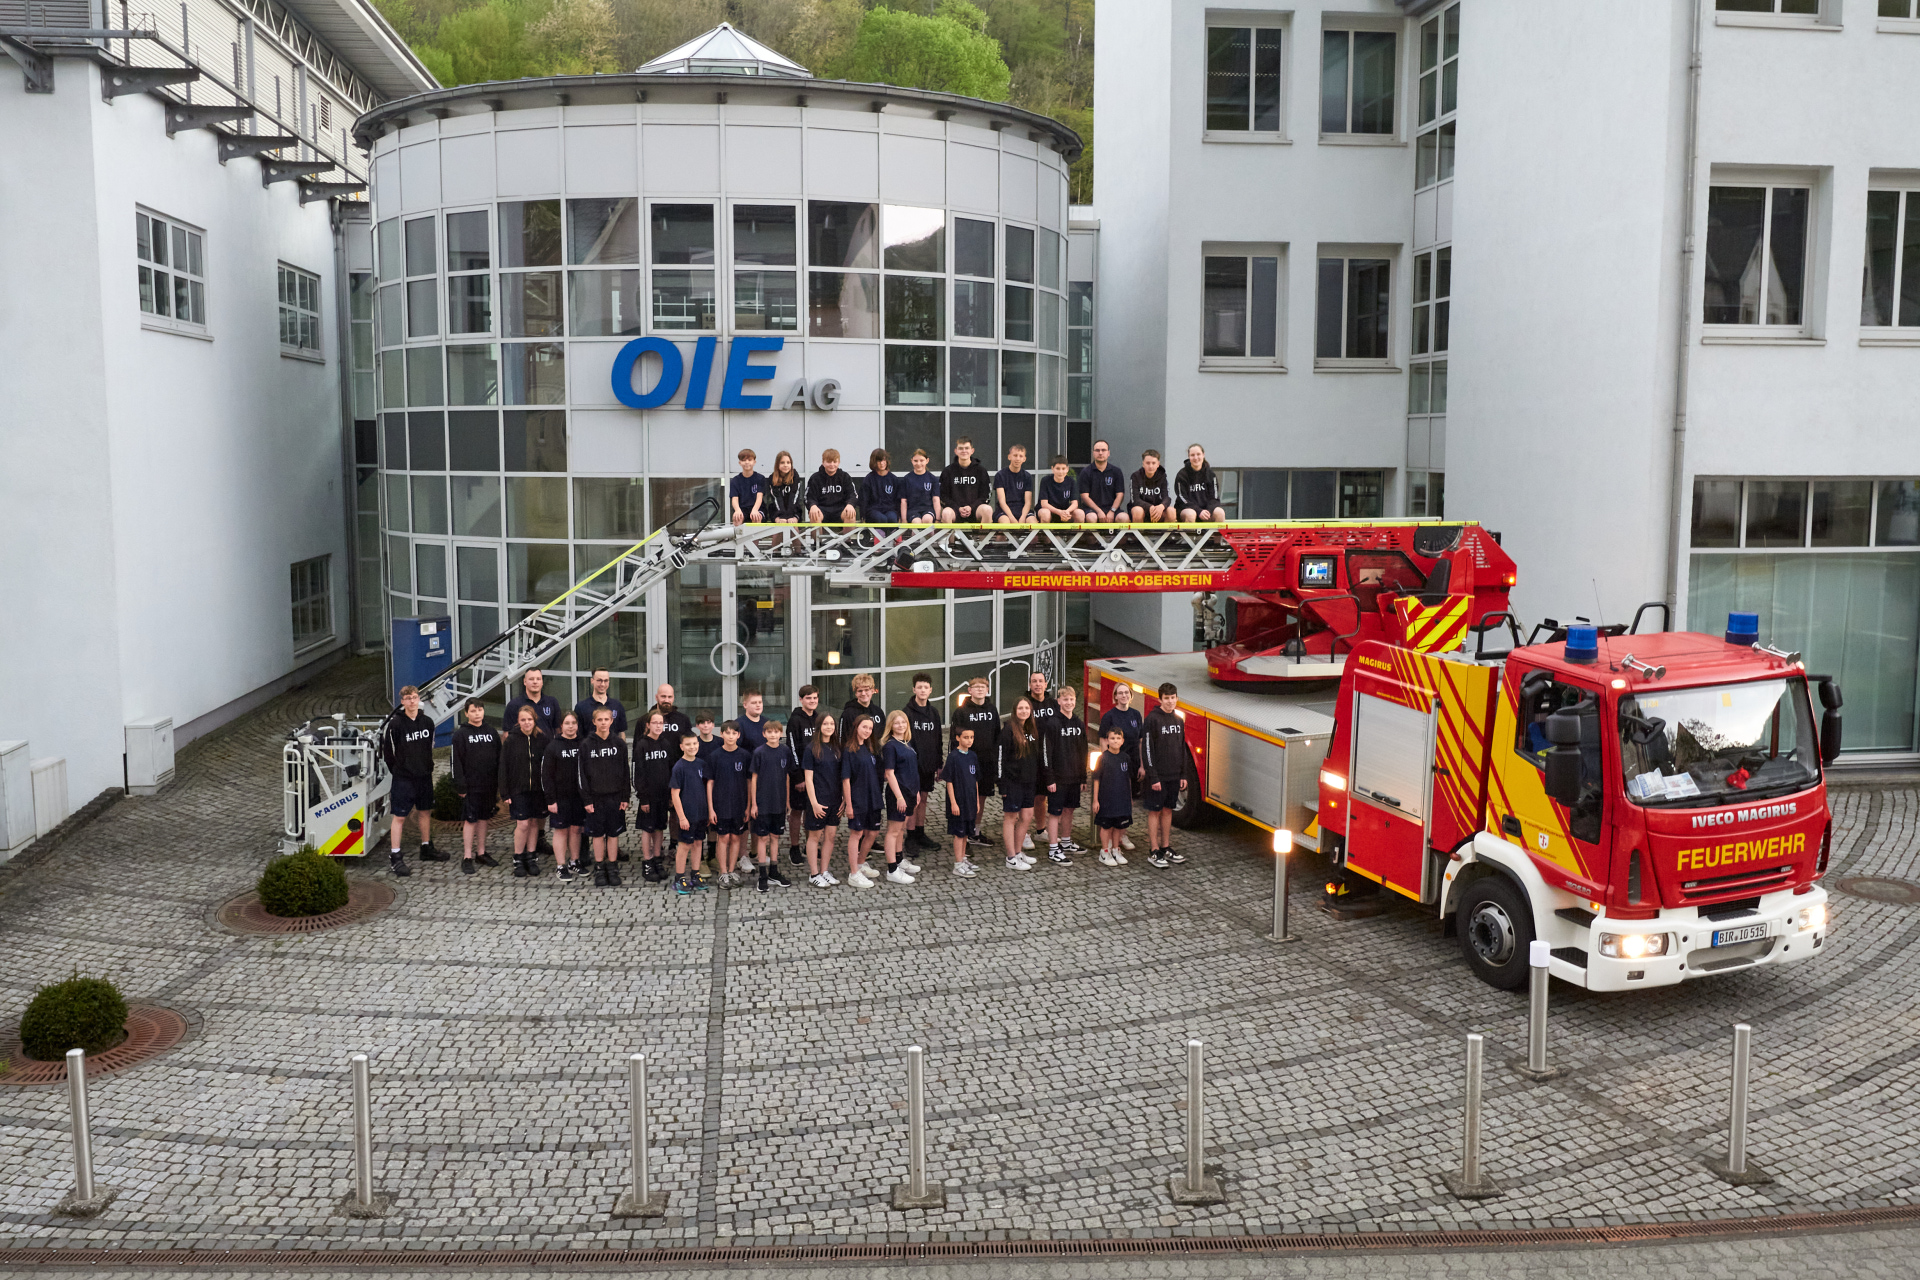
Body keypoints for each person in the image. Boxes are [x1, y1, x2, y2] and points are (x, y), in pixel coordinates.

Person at [378, 684, 441, 876]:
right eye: (408, 698)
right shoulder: (395, 725)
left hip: (424, 776)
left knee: (425, 811)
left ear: (418, 699)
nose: (412, 701)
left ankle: (426, 847)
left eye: (415, 697)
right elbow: (388, 753)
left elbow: (430, 747)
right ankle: (395, 856)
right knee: (400, 816)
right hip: (404, 779)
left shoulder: (428, 722)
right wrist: (399, 771)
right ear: (402, 701)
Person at [504, 668, 562, 862]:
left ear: (542, 682)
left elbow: (557, 729)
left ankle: (539, 840)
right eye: (531, 679)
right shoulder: (514, 705)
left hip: (543, 762)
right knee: (524, 821)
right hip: (521, 769)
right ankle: (521, 855)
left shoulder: (552, 702)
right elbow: (506, 735)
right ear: (525, 682)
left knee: (539, 815)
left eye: (538, 679)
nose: (535, 682)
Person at [578, 706, 629, 888]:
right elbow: (581, 774)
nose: (603, 723)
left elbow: (625, 772)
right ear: (594, 722)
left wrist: (625, 796)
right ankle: (600, 867)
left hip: (615, 797)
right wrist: (587, 799)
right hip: (595, 797)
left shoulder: (619, 744)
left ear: (611, 721)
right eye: (599, 720)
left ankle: (612, 866)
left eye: (606, 719)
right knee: (598, 834)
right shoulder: (586, 745)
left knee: (613, 833)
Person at [450, 699, 503, 875]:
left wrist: (499, 783)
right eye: (473, 711)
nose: (477, 713)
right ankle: (467, 856)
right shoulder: (460, 735)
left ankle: (481, 852)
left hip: (488, 784)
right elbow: (455, 762)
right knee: (470, 820)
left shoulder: (491, 732)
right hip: (470, 785)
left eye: (480, 709)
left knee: (484, 818)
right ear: (466, 713)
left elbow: (499, 758)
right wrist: (461, 786)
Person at [1141, 682, 1189, 869]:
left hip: (1174, 775)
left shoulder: (1178, 720)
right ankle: (1154, 850)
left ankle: (1166, 847)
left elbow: (1182, 748)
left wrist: (1183, 774)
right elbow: (1147, 749)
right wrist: (1153, 776)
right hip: (1158, 777)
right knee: (1155, 811)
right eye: (1166, 698)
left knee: (1168, 809)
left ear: (1177, 698)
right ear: (1160, 699)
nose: (1170, 702)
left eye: (1173, 698)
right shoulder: (1152, 719)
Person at [499, 703, 549, 879]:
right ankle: (518, 858)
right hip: (518, 789)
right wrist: (505, 792)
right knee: (523, 824)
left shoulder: (542, 739)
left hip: (537, 790)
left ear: (534, 720)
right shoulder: (511, 740)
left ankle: (531, 855)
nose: (526, 723)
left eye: (529, 719)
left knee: (534, 823)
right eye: (523, 720)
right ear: (518, 722)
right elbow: (503, 767)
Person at [1043, 684, 1090, 865]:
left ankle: (1066, 841)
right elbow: (1046, 753)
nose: (1069, 702)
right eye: (1065, 699)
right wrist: (1050, 778)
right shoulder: (1052, 723)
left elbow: (1083, 751)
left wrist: (1083, 777)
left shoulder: (1078, 723)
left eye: (1072, 699)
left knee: (1070, 810)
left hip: (1074, 778)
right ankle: (1053, 848)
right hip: (1057, 778)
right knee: (1055, 813)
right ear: (1059, 701)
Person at [748, 720, 794, 892]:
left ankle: (774, 872)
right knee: (763, 838)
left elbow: (787, 777)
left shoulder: (785, 751)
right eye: (770, 732)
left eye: (776, 732)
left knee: (775, 837)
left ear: (780, 733)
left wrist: (787, 800)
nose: (773, 735)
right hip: (762, 803)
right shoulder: (759, 753)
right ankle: (762, 874)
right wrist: (753, 804)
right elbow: (753, 779)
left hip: (779, 802)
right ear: (764, 734)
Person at [1099, 682, 1144, 854]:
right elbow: (1103, 739)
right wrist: (1106, 761)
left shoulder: (1136, 715)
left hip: (1131, 764)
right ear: (1115, 696)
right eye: (1120, 693)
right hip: (1113, 766)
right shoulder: (1109, 716)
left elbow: (1140, 741)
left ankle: (1123, 833)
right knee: (1113, 800)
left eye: (1127, 693)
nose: (1124, 696)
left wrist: (1141, 764)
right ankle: (1109, 838)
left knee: (1128, 800)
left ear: (1131, 696)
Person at [841, 714, 885, 888]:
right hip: (858, 799)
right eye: (864, 727)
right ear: (856, 727)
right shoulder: (849, 751)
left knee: (873, 833)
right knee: (856, 834)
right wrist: (849, 804)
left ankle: (860, 863)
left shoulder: (870, 748)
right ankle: (854, 873)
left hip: (873, 797)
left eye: (870, 728)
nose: (867, 731)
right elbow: (845, 780)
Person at [542, 711, 586, 881]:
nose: (570, 726)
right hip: (560, 798)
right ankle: (561, 865)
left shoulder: (583, 744)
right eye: (567, 723)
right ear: (561, 726)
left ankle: (574, 862)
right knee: (561, 831)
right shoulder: (553, 746)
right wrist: (550, 799)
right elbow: (546, 775)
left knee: (576, 830)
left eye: (573, 723)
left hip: (579, 797)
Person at [953, 677, 1000, 838]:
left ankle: (975, 831)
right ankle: (963, 831)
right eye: (976, 687)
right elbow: (955, 739)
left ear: (987, 690)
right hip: (967, 762)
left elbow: (997, 736)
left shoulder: (992, 710)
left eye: (983, 687)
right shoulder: (961, 712)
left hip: (987, 762)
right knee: (966, 797)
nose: (980, 689)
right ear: (969, 690)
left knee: (982, 797)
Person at [998, 697, 1041, 871]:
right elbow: (1000, 759)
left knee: (1027, 816)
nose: (1024, 711)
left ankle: (1018, 851)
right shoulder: (1008, 730)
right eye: (1020, 708)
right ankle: (1011, 857)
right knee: (1011, 818)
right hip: (1012, 782)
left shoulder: (1031, 728)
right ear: (1015, 710)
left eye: (1027, 708)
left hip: (1029, 782)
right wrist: (1002, 784)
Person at [880, 711, 923, 885]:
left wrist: (917, 792)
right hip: (898, 794)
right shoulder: (890, 746)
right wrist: (899, 796)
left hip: (910, 792)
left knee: (901, 829)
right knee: (893, 831)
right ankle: (892, 869)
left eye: (903, 722)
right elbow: (889, 773)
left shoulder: (907, 742)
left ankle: (899, 860)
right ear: (891, 725)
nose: (900, 726)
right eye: (896, 723)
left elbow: (912, 769)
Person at [633, 710, 675, 881]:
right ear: (648, 725)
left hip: (663, 795)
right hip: (648, 797)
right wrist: (643, 797)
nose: (658, 726)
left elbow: (671, 770)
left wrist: (671, 795)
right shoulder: (642, 745)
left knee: (659, 828)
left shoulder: (666, 744)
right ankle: (647, 861)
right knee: (647, 829)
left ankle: (657, 858)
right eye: (655, 723)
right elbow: (638, 773)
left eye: (661, 723)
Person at [709, 719, 751, 885]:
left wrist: (748, 806)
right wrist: (711, 809)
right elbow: (710, 783)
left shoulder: (745, 756)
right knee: (723, 838)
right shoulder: (715, 756)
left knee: (736, 838)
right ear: (722, 734)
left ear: (739, 735)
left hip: (739, 806)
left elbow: (749, 782)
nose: (731, 736)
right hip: (721, 805)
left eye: (734, 733)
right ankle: (723, 871)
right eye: (728, 733)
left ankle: (732, 870)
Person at [803, 714, 843, 887]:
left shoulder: (837, 748)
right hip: (818, 801)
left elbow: (842, 776)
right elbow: (808, 779)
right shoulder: (811, 748)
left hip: (835, 800)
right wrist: (814, 803)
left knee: (831, 836)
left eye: (831, 723)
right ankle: (814, 873)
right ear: (819, 727)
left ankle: (825, 870)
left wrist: (843, 799)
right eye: (825, 724)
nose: (829, 726)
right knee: (814, 837)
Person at [904, 673, 944, 850]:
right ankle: (910, 835)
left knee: (924, 799)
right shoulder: (907, 713)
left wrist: (939, 764)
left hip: (928, 764)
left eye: (925, 687)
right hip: (912, 766)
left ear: (930, 690)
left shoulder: (934, 712)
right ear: (914, 689)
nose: (922, 690)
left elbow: (938, 739)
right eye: (919, 687)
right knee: (913, 800)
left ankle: (920, 832)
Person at [785, 685, 823, 867]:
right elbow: (792, 748)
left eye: (815, 698)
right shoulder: (795, 720)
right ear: (801, 700)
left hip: (816, 775)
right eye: (809, 698)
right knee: (797, 811)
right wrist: (798, 776)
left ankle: (811, 845)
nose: (812, 701)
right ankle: (794, 847)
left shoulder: (819, 719)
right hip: (800, 775)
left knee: (812, 810)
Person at [668, 733, 710, 896]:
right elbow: (675, 794)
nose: (692, 747)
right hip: (687, 814)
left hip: (700, 813)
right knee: (684, 845)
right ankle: (679, 877)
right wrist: (682, 817)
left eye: (694, 744)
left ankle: (695, 873)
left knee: (698, 843)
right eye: (688, 744)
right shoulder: (679, 767)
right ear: (681, 747)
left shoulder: (701, 764)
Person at [1023, 671, 1060, 854]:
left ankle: (1040, 830)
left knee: (1041, 797)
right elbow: (1018, 726)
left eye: (1040, 681)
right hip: (1030, 755)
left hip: (1049, 756)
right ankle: (1023, 833)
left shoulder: (1053, 703)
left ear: (1046, 684)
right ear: (1029, 685)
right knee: (1027, 796)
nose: (1037, 684)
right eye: (1034, 681)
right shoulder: (1024, 703)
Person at [941, 727, 983, 878]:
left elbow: (975, 780)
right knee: (959, 833)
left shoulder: (972, 756)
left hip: (970, 801)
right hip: (959, 802)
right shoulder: (953, 757)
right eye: (966, 737)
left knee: (966, 832)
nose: (969, 740)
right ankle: (958, 864)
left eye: (971, 737)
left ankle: (963, 858)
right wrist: (953, 803)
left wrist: (977, 800)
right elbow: (949, 781)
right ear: (958, 738)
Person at [1091, 728, 1135, 866]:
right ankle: (1105, 851)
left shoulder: (1125, 758)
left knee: (1118, 826)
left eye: (1118, 738)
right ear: (1107, 740)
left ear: (1122, 741)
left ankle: (1116, 849)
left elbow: (1128, 779)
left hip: (1121, 799)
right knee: (1106, 826)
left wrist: (1130, 797)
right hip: (1106, 799)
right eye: (1112, 738)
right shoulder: (1102, 758)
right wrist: (1095, 800)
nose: (1115, 741)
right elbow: (1096, 779)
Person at [939, 437, 994, 526]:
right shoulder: (948, 471)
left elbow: (986, 495)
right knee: (946, 513)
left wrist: (971, 507)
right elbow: (943, 495)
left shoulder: (981, 471)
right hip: (955, 510)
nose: (964, 451)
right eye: (960, 448)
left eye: (967, 448)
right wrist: (957, 508)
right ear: (956, 451)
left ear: (972, 451)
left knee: (987, 510)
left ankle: (982, 539)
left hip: (975, 510)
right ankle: (950, 540)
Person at [1078, 439, 1130, 524]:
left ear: (1108, 453)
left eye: (1103, 450)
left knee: (1123, 518)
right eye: (1097, 450)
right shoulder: (1086, 472)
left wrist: (1112, 511)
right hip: (1092, 510)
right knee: (1091, 518)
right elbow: (1085, 496)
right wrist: (1098, 511)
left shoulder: (1116, 471)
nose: (1100, 453)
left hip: (1112, 509)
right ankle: (1092, 538)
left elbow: (1120, 495)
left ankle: (1117, 538)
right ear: (1093, 453)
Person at [1174, 444, 1226, 523]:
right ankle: (1190, 535)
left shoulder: (1210, 474)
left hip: (1206, 511)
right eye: (1192, 455)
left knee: (1220, 512)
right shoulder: (1182, 475)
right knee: (1191, 514)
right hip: (1187, 510)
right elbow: (1182, 498)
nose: (1195, 458)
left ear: (1203, 455)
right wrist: (1199, 511)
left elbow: (1214, 498)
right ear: (1189, 456)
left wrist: (1208, 511)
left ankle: (1216, 535)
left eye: (1198, 454)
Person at [807, 448, 858, 524]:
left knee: (850, 514)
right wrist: (812, 505)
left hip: (840, 510)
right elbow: (809, 497)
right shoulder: (815, 478)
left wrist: (850, 504)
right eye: (828, 462)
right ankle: (816, 536)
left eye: (835, 462)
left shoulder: (845, 477)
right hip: (822, 510)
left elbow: (853, 495)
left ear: (839, 462)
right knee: (814, 515)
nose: (832, 464)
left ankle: (847, 536)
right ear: (823, 462)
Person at [574, 668, 627, 738]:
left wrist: (622, 748)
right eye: (599, 680)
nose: (603, 684)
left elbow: (621, 732)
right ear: (592, 681)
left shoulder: (617, 705)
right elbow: (577, 735)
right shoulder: (581, 707)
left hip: (612, 748)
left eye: (606, 681)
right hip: (589, 748)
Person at [994, 443, 1037, 525]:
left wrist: (1023, 517)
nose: (1017, 458)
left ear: (1024, 459)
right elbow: (1002, 501)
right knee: (1005, 523)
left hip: (1022, 510)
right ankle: (1000, 538)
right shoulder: (1000, 475)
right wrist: (1012, 518)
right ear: (1009, 457)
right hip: (1004, 511)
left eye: (1021, 456)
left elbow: (1028, 502)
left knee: (1033, 523)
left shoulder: (1027, 476)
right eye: (1015, 455)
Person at [861, 448, 906, 525]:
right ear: (874, 462)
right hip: (873, 511)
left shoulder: (893, 479)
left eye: (884, 460)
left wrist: (899, 516)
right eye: (879, 461)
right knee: (881, 519)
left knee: (892, 518)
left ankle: (891, 536)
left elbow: (898, 500)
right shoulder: (869, 479)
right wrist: (863, 516)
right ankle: (879, 536)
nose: (882, 463)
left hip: (890, 510)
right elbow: (864, 500)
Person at [841, 673, 885, 747]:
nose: (863, 693)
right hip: (856, 755)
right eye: (860, 691)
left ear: (872, 690)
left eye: (866, 690)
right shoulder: (848, 713)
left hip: (876, 755)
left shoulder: (878, 712)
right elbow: (843, 739)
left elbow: (883, 735)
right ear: (855, 693)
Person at [765, 450, 806, 525]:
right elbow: (777, 499)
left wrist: (793, 517)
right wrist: (779, 518)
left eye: (788, 462)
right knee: (778, 531)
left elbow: (794, 498)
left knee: (793, 528)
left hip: (794, 513)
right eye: (782, 462)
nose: (785, 465)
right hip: (778, 513)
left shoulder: (795, 477)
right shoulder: (772, 479)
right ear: (777, 465)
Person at [730, 447, 769, 525]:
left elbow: (759, 497)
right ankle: (739, 538)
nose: (747, 462)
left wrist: (755, 510)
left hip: (758, 509)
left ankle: (757, 538)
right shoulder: (735, 480)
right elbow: (734, 499)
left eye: (749, 460)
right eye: (743, 460)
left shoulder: (760, 478)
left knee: (756, 517)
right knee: (737, 519)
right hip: (743, 509)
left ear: (754, 462)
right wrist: (737, 510)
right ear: (740, 463)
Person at [1130, 450, 1172, 523]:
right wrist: (1150, 507)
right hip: (1142, 510)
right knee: (1137, 510)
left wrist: (1161, 506)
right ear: (1143, 464)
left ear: (1158, 464)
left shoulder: (1162, 476)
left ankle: (1165, 534)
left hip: (1158, 511)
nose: (1150, 466)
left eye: (1153, 463)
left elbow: (1167, 497)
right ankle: (1140, 534)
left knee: (1171, 511)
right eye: (1148, 463)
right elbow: (1135, 500)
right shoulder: (1135, 476)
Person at [1038, 455, 1082, 524]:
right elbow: (1044, 504)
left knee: (1080, 513)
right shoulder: (1045, 480)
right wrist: (1059, 512)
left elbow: (1075, 503)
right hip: (1051, 511)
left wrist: (1067, 511)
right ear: (1052, 468)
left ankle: (1073, 534)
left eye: (1063, 469)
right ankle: (1046, 535)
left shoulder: (1071, 481)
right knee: (1045, 513)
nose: (1060, 472)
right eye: (1058, 468)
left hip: (1065, 512)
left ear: (1067, 469)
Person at [903, 449, 941, 525]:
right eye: (916, 461)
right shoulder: (906, 479)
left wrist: (938, 518)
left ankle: (931, 537)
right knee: (917, 522)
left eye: (921, 460)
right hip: (913, 510)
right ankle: (916, 537)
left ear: (927, 460)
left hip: (928, 509)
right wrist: (904, 519)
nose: (918, 463)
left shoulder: (932, 479)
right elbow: (904, 501)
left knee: (927, 519)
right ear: (912, 461)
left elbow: (936, 499)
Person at [652, 683, 692, 747]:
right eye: (663, 696)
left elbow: (689, 744)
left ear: (673, 698)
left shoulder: (683, 720)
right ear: (656, 697)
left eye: (670, 697)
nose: (666, 700)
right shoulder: (644, 720)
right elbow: (638, 750)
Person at [734, 688, 769, 753]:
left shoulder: (767, 723)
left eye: (760, 702)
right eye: (754, 703)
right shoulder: (738, 724)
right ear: (745, 705)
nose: (758, 705)